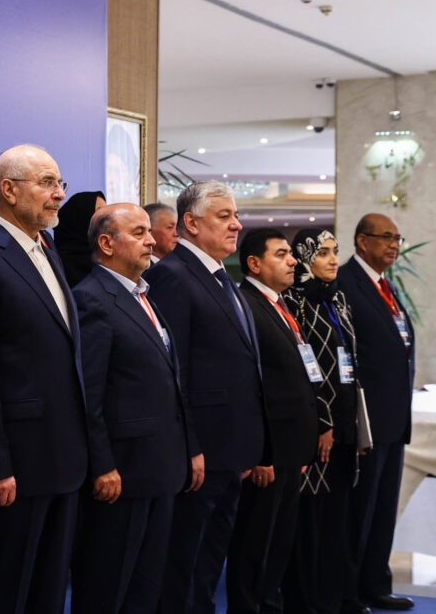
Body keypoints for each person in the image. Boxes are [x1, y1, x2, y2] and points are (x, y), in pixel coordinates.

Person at [0, 145, 87, 614]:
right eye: (47, 183)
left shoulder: (46, 249)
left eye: (60, 183)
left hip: (62, 459)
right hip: (17, 466)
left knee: (48, 592)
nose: (58, 194)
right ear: (9, 190)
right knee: (5, 592)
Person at [143, 181, 265, 614]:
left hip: (230, 449)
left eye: (236, 215)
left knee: (209, 561)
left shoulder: (221, 277)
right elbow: (172, 373)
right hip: (199, 454)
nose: (236, 225)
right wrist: (190, 446)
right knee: (183, 564)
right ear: (191, 224)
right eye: (224, 216)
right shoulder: (172, 276)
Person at [70, 203, 192, 614]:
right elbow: (89, 393)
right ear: (106, 244)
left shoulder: (143, 295)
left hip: (159, 466)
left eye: (149, 232)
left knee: (146, 587)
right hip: (122, 472)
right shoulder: (92, 299)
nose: (152, 241)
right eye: (139, 233)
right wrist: (103, 465)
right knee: (108, 588)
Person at [226, 229, 318, 613]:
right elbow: (250, 386)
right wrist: (261, 452)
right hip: (268, 451)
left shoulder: (280, 303)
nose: (293, 260)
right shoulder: (245, 304)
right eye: (281, 254)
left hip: (291, 448)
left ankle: (269, 605)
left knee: (278, 543)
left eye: (290, 254)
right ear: (254, 263)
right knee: (254, 543)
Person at [280, 228, 371, 614]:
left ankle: (336, 597)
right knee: (310, 520)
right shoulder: (293, 300)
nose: (333, 260)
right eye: (323, 253)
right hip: (318, 428)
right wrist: (322, 421)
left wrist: (359, 427)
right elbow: (303, 370)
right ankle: (308, 601)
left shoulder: (338, 298)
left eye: (335, 251)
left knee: (337, 517)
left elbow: (351, 362)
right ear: (304, 258)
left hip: (346, 424)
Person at [337, 214, 415, 612]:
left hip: (394, 419)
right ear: (362, 241)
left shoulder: (386, 286)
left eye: (397, 237)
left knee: (383, 509)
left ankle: (375, 583)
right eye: (385, 237)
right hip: (365, 420)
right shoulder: (345, 283)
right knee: (360, 510)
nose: (394, 244)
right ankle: (348, 592)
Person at [54, 190, 106, 286]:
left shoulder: (103, 256)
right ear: (81, 215)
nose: (106, 219)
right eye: (99, 212)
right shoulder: (60, 263)